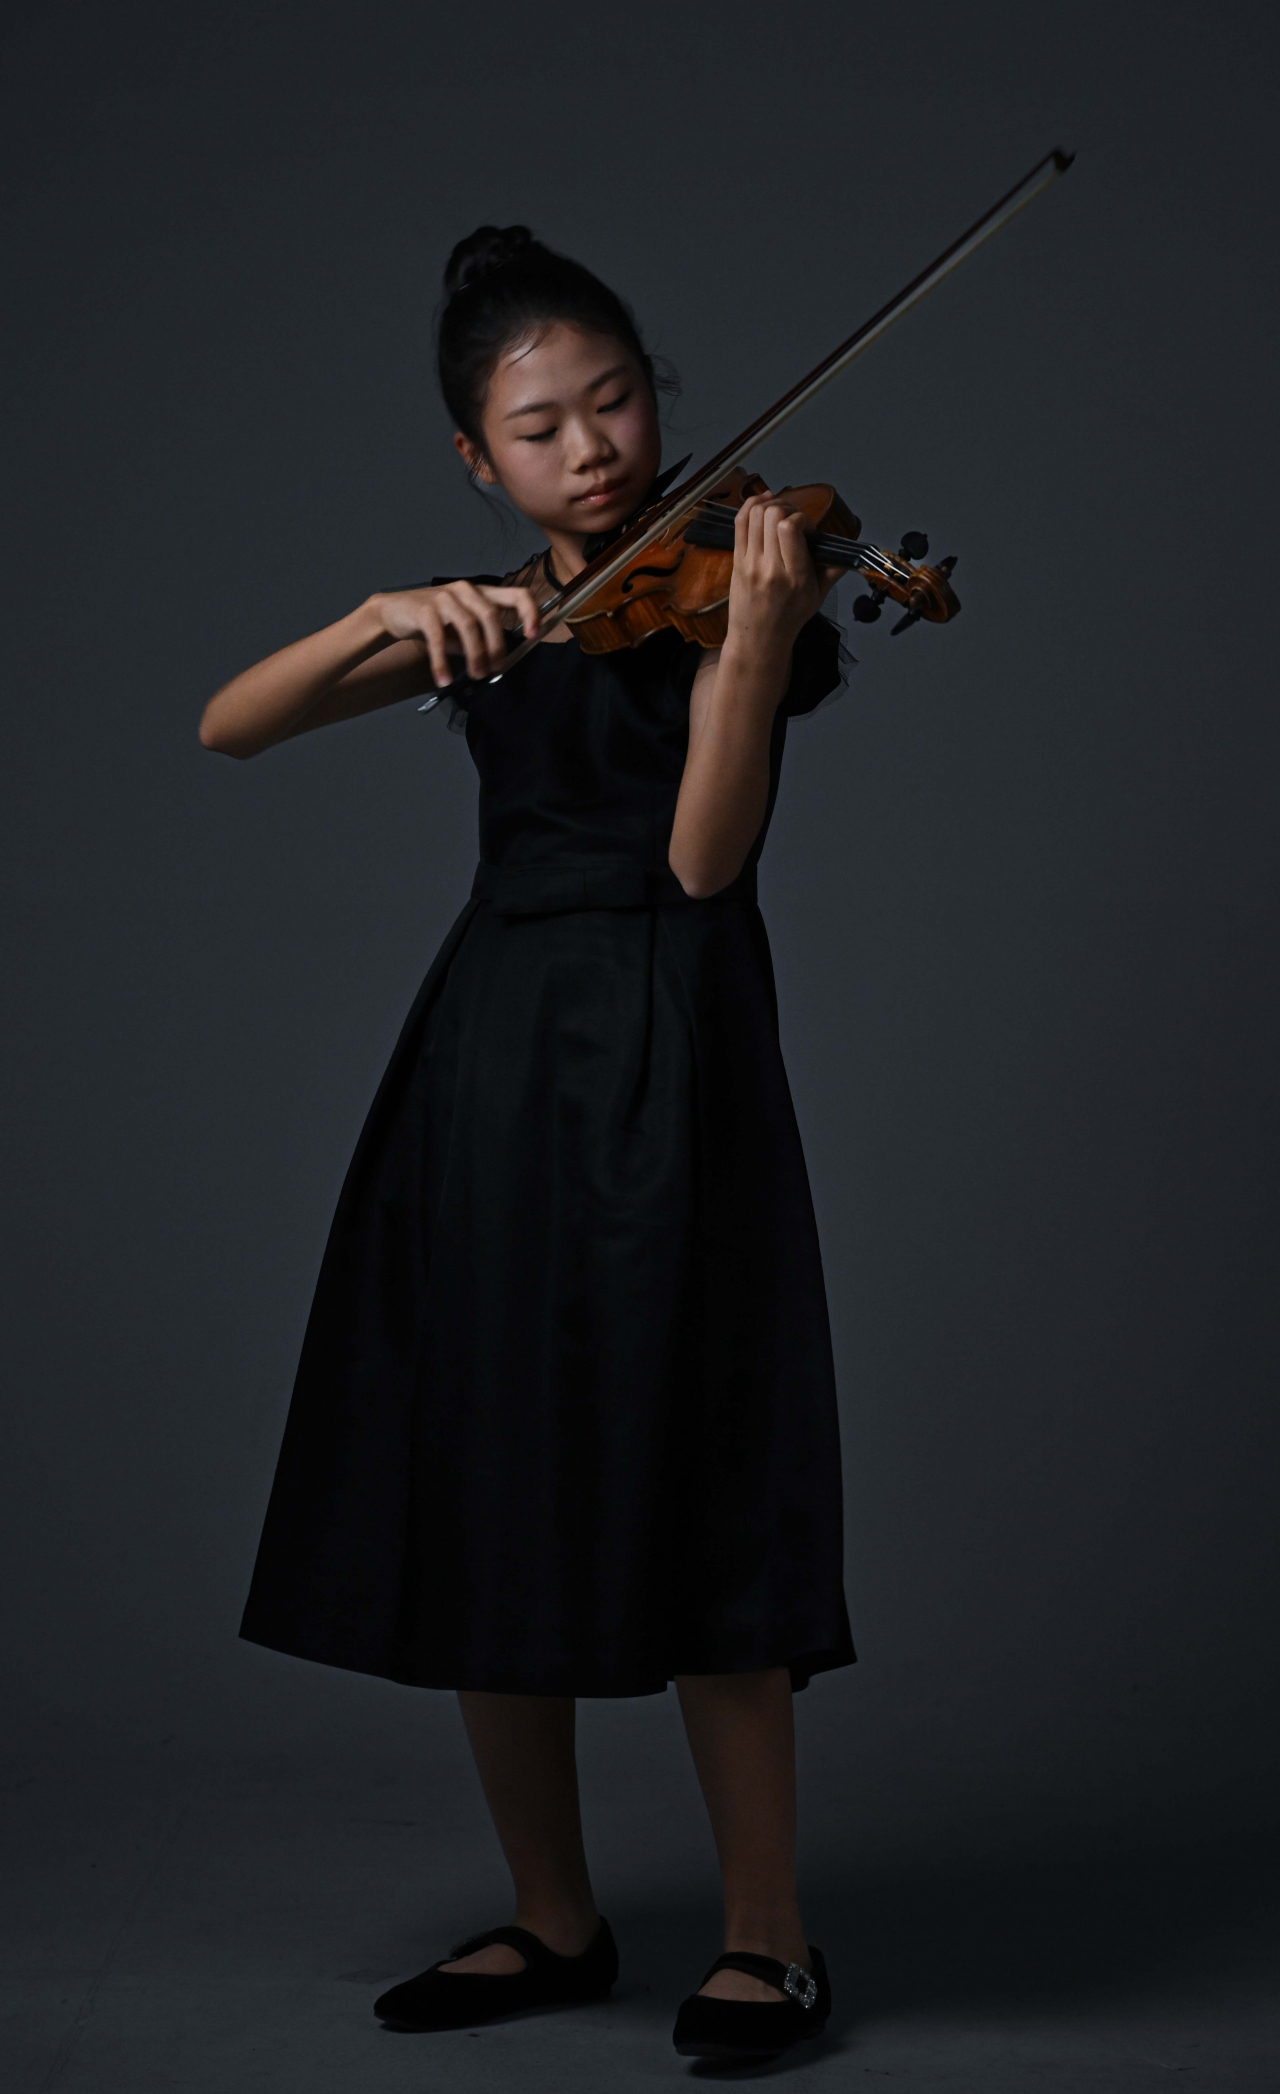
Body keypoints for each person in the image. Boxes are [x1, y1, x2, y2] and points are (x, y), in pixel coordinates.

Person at [199, 223, 855, 2066]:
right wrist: (380, 621)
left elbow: (704, 863)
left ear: (660, 402)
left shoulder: (739, 584)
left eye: (619, 401)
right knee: (492, 1471)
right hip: (491, 1058)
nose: (594, 449)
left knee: (710, 1468)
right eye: (542, 427)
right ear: (480, 464)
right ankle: (554, 1918)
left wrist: (754, 641)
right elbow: (228, 728)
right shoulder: (484, 626)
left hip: (678, 1041)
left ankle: (768, 1938)